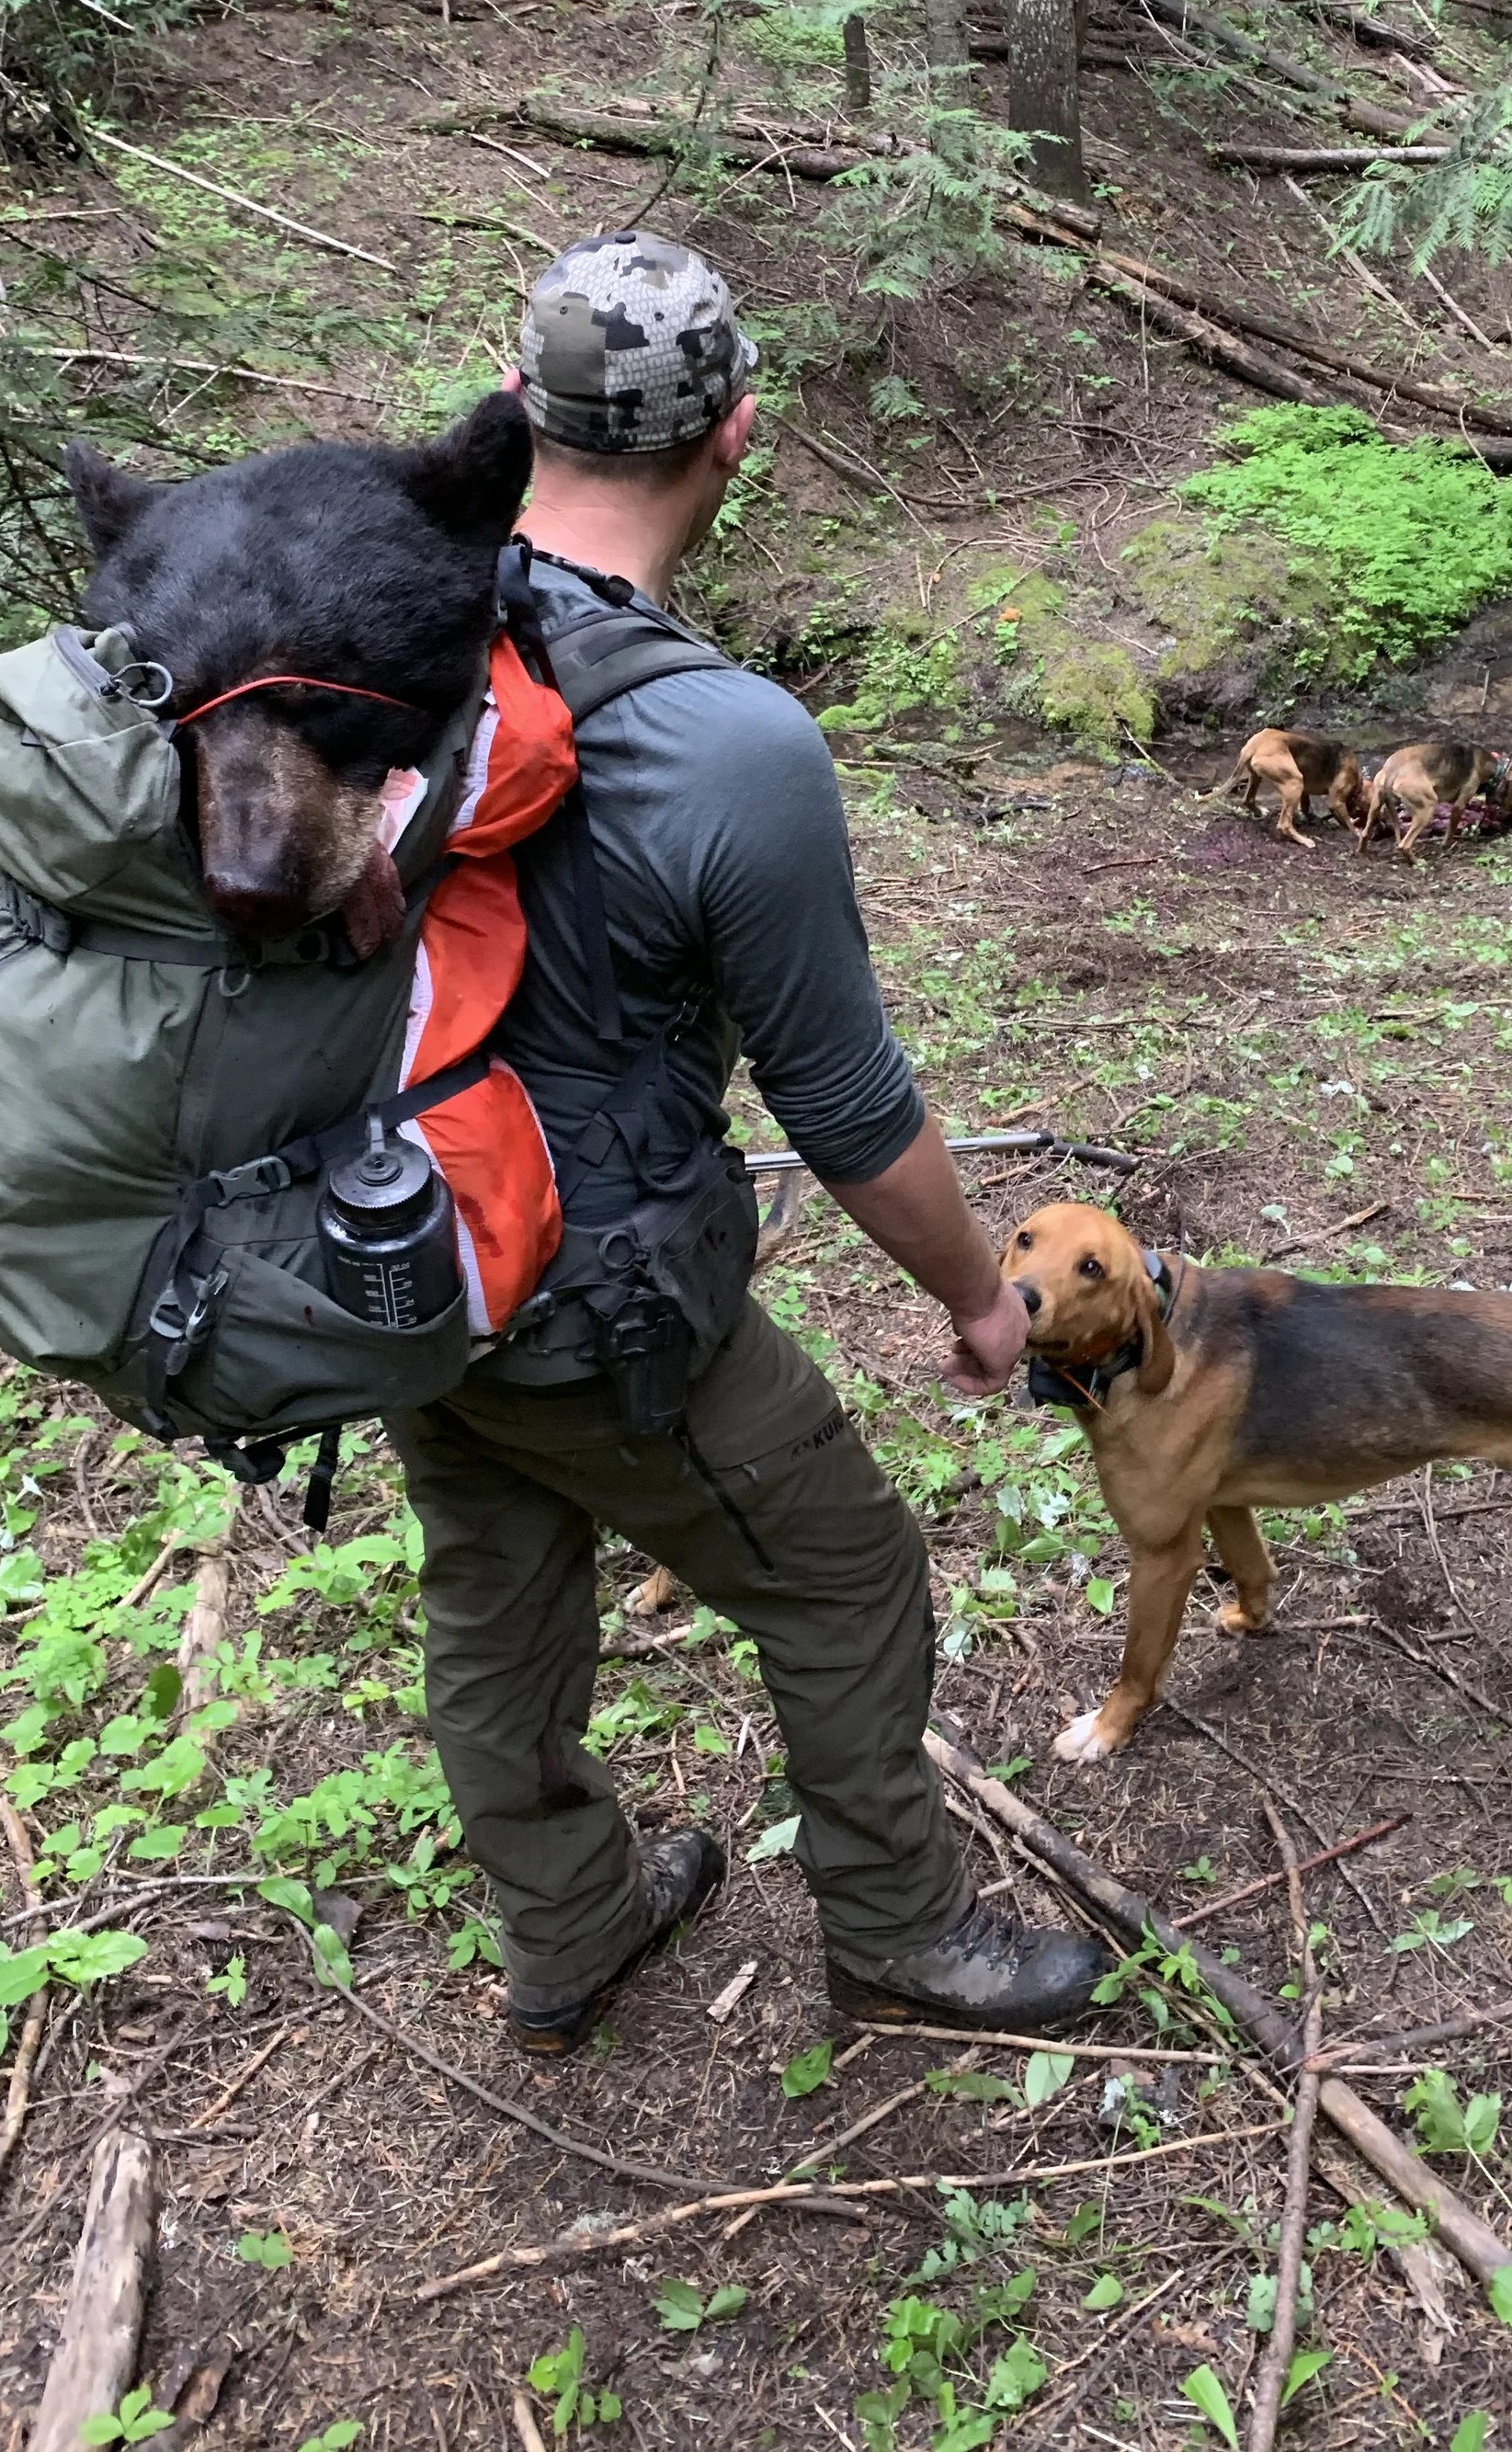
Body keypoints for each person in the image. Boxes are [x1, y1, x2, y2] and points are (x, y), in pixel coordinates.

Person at [387, 230, 1104, 2055]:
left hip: (393, 1245)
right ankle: (895, 1927)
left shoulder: (374, 634)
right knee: (846, 1569)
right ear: (738, 434)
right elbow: (848, 1112)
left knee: (492, 1571)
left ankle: (568, 1926)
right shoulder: (729, 745)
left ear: (512, 389)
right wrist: (979, 1293)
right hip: (592, 1299)